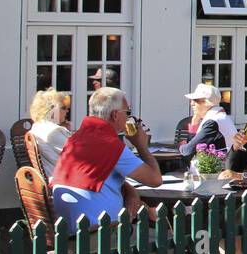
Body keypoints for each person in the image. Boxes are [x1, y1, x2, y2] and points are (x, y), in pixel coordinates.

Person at [48, 87, 162, 232]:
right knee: (164, 238)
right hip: (99, 233)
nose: (128, 118)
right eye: (127, 113)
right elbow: (155, 180)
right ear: (115, 115)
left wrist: (129, 189)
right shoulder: (111, 144)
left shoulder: (76, 139)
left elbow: (96, 176)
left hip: (67, 230)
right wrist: (141, 146)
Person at [178, 83, 236, 158]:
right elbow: (192, 146)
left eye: (195, 100)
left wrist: (181, 146)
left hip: (220, 167)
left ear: (207, 103)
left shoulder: (213, 122)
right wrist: (194, 124)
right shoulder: (216, 117)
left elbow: (188, 150)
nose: (191, 103)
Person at [29, 87, 72, 173]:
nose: (67, 110)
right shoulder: (52, 132)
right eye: (64, 107)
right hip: (64, 178)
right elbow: (80, 154)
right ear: (51, 110)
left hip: (55, 174)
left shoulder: (38, 126)